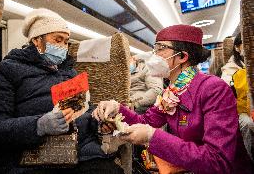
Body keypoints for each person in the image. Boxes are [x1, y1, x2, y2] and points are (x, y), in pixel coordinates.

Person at [0, 8, 124, 174]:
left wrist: (98, 121)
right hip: (31, 158)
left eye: (66, 42)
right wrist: (39, 125)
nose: (63, 47)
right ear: (37, 40)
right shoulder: (7, 70)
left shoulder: (70, 73)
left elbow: (83, 109)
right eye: (57, 40)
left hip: (78, 152)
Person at [93, 25, 254, 174]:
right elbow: (145, 120)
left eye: (160, 49)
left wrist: (152, 136)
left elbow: (218, 161)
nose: (153, 56)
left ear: (183, 56)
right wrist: (117, 108)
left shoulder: (213, 89)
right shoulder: (172, 91)